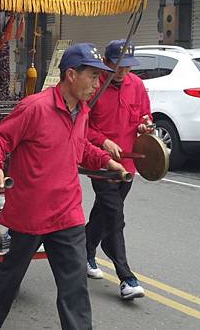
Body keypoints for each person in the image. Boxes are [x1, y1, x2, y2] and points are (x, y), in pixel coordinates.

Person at [0, 43, 126, 330]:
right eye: (93, 77)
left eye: (100, 78)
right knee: (10, 277)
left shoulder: (82, 111)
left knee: (74, 285)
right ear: (71, 75)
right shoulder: (35, 107)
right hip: (30, 213)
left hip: (67, 213)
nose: (97, 84)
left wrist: (104, 160)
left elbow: (78, 146)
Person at [85, 40, 153, 300]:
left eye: (127, 66)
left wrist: (145, 126)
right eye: (117, 65)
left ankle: (85, 249)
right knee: (115, 217)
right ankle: (127, 279)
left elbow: (145, 116)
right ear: (106, 61)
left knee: (104, 213)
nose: (123, 71)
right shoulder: (94, 86)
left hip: (129, 163)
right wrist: (103, 141)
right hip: (101, 164)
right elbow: (81, 125)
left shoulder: (136, 85)